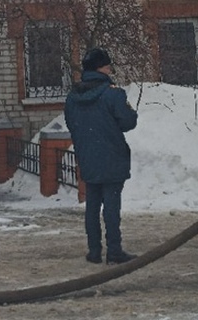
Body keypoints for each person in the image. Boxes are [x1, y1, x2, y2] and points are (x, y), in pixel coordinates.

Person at [64, 46, 138, 264]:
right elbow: (128, 122)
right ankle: (114, 250)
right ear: (100, 68)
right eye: (107, 66)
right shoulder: (113, 94)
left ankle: (94, 250)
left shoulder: (72, 97)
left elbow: (71, 124)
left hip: (87, 156)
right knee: (112, 206)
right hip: (112, 156)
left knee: (92, 205)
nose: (109, 70)